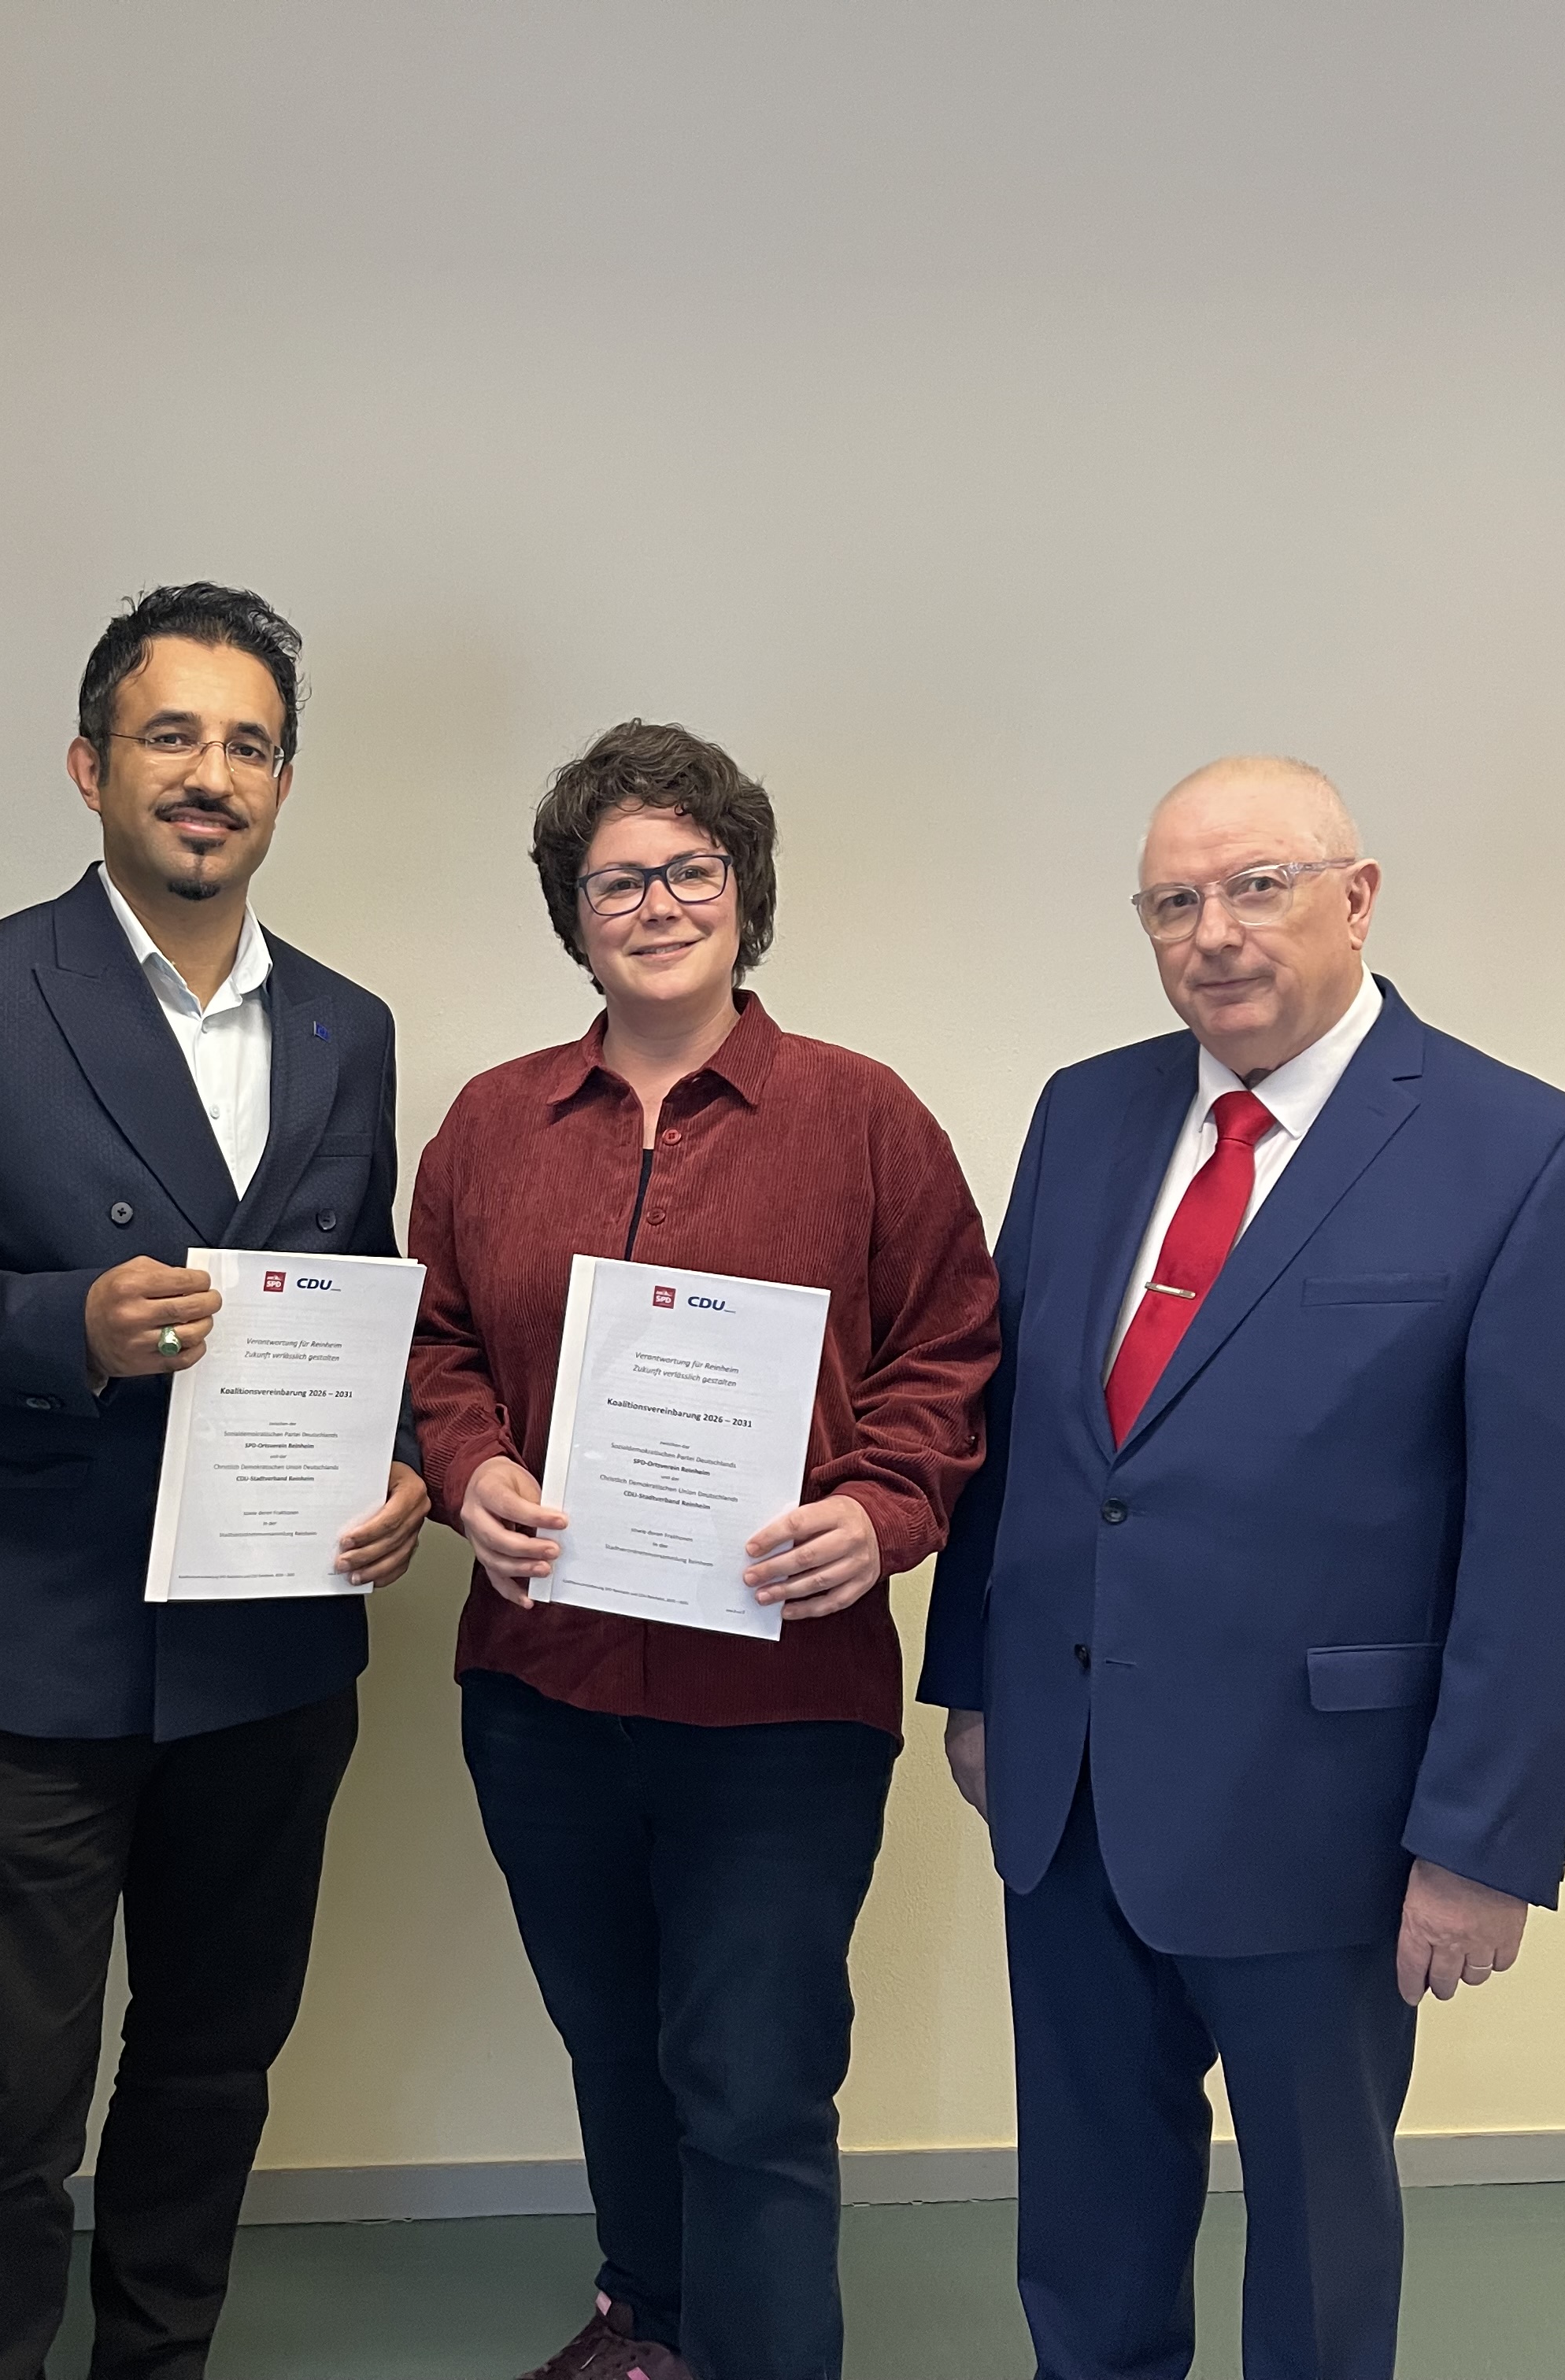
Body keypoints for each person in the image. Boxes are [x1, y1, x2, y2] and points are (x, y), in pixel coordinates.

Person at [922, 756, 1565, 2380]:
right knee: (1086, 2217)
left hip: (1328, 1815)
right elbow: (1017, 1425)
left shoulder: (1517, 1151)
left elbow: (1548, 1543)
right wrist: (975, 1680)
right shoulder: (1085, 1113)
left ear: (1357, 898)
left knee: (1317, 2240)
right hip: (1069, 1788)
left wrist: (1484, 1842)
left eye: (1258, 887)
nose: (1214, 934)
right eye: (1174, 903)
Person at [0, 582, 429, 2380]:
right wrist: (58, 1323)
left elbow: (352, 1290)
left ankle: (160, 2360)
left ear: (283, 783)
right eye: (172, 735)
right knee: (4, 2096)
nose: (210, 774)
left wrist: (393, 1461)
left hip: (273, 1643)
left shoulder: (349, 1027)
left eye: (249, 745)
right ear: (91, 766)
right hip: (36, 1644)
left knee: (214, 2065)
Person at [405, 722, 1001, 2380]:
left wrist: (881, 1510)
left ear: (745, 894)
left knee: (751, 2079)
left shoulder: (864, 1116)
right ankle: (649, 2326)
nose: (657, 904)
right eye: (618, 879)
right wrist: (469, 1468)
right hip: (543, 1693)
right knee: (614, 2047)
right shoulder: (492, 1125)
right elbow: (436, 1346)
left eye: (691, 870)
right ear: (572, 911)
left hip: (783, 1708)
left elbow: (953, 1350)